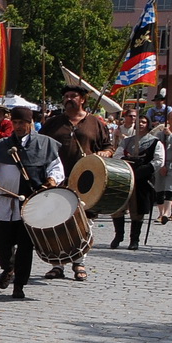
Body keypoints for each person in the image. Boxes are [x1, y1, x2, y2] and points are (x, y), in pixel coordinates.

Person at [0, 105, 62, 301]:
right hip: (6, 203)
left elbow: (56, 168)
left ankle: (19, 285)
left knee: (25, 247)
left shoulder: (45, 145)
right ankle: (8, 267)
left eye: (22, 123)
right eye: (15, 123)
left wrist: (51, 180)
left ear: (30, 123)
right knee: (3, 244)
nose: (18, 127)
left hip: (31, 204)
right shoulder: (1, 146)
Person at [38, 84, 112, 281]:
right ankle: (57, 264)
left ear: (82, 100)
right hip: (57, 179)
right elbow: (39, 145)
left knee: (83, 222)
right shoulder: (53, 123)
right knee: (55, 222)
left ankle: (79, 262)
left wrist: (105, 152)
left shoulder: (95, 123)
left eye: (73, 96)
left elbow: (108, 146)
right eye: (67, 96)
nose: (69, 99)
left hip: (85, 180)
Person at [111, 113, 163, 251]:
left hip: (142, 179)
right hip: (126, 177)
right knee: (118, 208)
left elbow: (159, 160)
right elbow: (117, 155)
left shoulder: (155, 142)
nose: (140, 124)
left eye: (144, 122)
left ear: (148, 124)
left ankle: (134, 240)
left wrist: (145, 168)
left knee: (137, 210)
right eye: (138, 122)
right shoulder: (127, 141)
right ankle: (118, 235)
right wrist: (127, 162)